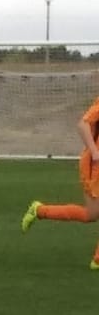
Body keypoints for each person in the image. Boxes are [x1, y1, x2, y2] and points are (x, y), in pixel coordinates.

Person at [19, 90, 99, 268]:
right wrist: (94, 152)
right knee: (92, 214)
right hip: (94, 167)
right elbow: (83, 124)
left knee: (91, 215)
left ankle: (40, 210)